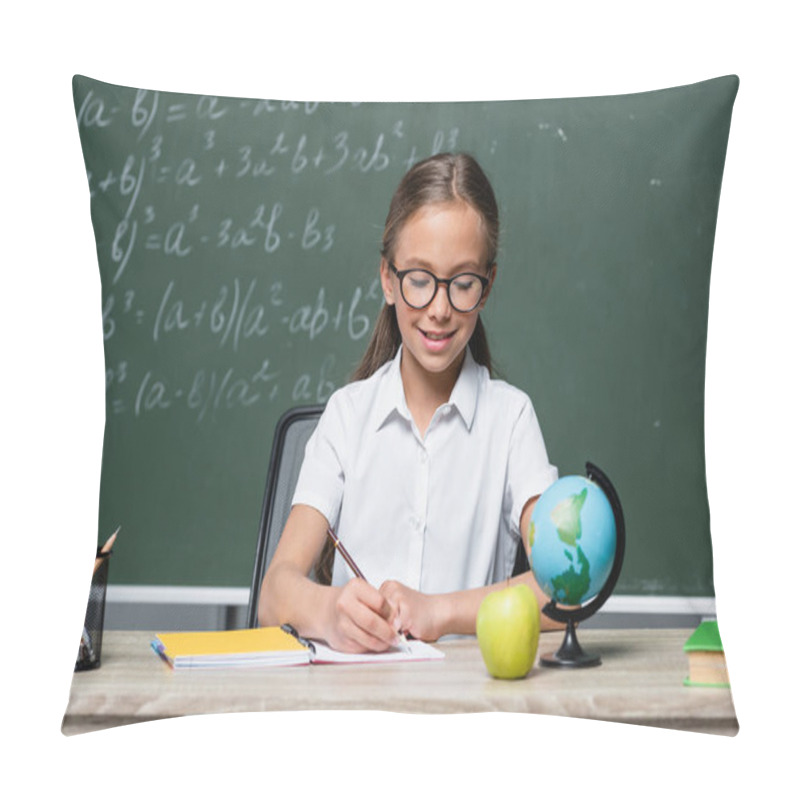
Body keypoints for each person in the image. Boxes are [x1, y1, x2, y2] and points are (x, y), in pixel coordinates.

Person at [258, 152, 559, 652]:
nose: (440, 309)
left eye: (463, 284)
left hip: (467, 705)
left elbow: (560, 594)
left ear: (487, 288)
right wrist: (332, 614)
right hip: (351, 705)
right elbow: (274, 595)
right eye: (419, 281)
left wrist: (438, 611)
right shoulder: (348, 416)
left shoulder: (511, 419)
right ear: (387, 278)